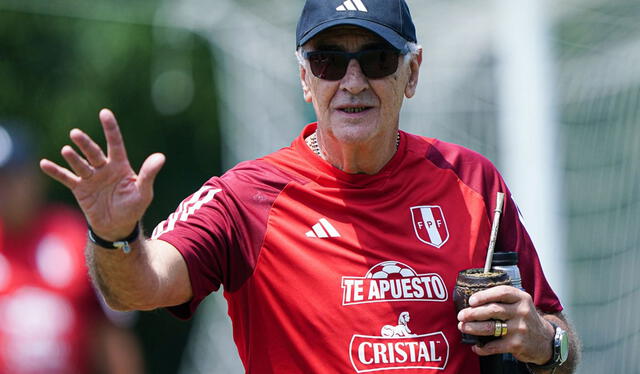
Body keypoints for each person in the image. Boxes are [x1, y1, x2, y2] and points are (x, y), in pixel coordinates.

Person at [39, 0, 580, 372]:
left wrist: (543, 343)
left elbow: (560, 340)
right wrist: (113, 235)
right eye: (327, 60)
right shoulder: (245, 197)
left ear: (411, 74)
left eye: (376, 59)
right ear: (304, 79)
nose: (352, 81)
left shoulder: (475, 183)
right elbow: (139, 285)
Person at [0, 124, 144, 374]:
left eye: (13, 177)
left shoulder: (75, 237)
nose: (7, 190)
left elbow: (111, 331)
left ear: (33, 177)